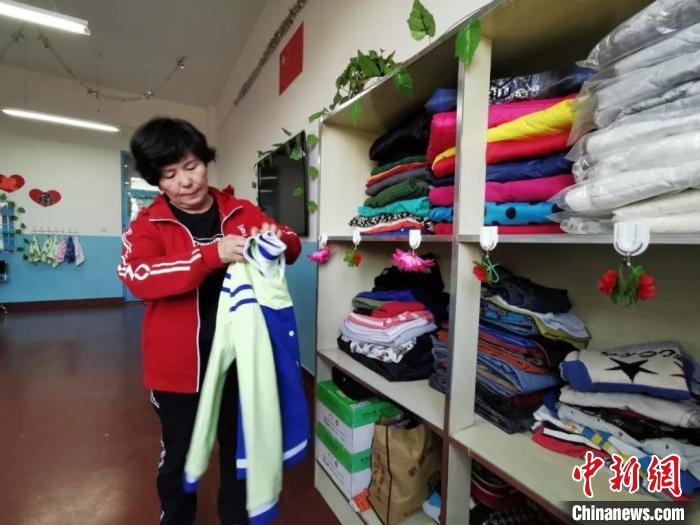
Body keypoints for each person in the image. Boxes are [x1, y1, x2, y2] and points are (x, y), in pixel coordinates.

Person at [118, 117, 301, 525]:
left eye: (192, 166)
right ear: (156, 181)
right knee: (180, 456)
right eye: (170, 174)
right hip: (178, 370)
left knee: (239, 451)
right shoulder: (147, 225)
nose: (186, 181)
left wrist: (279, 240)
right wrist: (209, 255)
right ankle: (176, 517)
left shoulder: (240, 210)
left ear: (205, 161)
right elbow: (137, 277)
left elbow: (288, 241)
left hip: (243, 362)